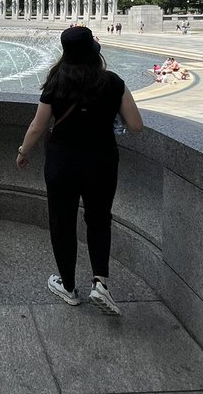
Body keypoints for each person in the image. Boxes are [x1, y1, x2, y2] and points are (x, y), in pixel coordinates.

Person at [16, 26, 143, 315]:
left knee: (62, 223)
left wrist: (23, 152)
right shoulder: (113, 82)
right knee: (99, 220)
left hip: (62, 162)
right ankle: (100, 283)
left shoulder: (56, 81)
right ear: (94, 53)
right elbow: (136, 125)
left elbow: (38, 126)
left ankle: (69, 287)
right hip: (102, 161)